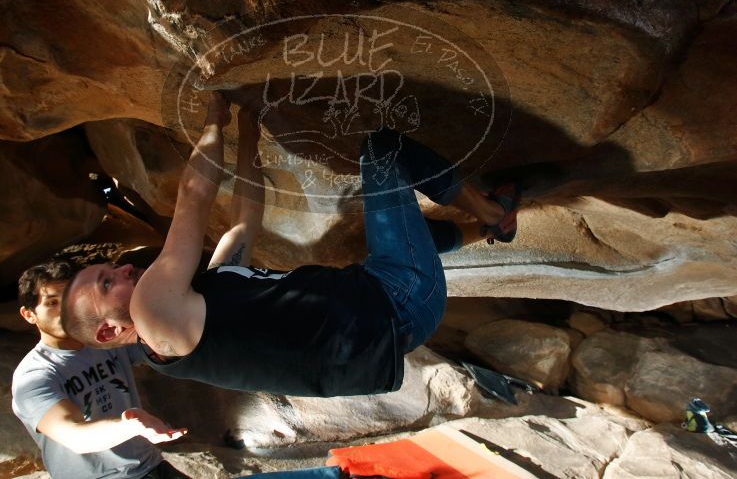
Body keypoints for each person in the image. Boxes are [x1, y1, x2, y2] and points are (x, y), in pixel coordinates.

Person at [60, 92, 519, 397]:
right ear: (107, 332)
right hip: (397, 299)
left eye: (112, 269)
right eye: (106, 283)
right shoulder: (155, 317)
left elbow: (244, 220)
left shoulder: (199, 306)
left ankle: (492, 232)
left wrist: (248, 128)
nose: (123, 270)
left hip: (394, 303)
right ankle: (493, 212)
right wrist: (213, 115)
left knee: (399, 237)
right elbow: (194, 198)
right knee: (383, 151)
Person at [12, 260, 190, 479]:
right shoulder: (34, 375)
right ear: (29, 315)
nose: (63, 311)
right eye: (51, 303)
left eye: (68, 299)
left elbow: (164, 350)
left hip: (150, 466)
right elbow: (74, 434)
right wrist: (132, 427)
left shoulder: (106, 340)